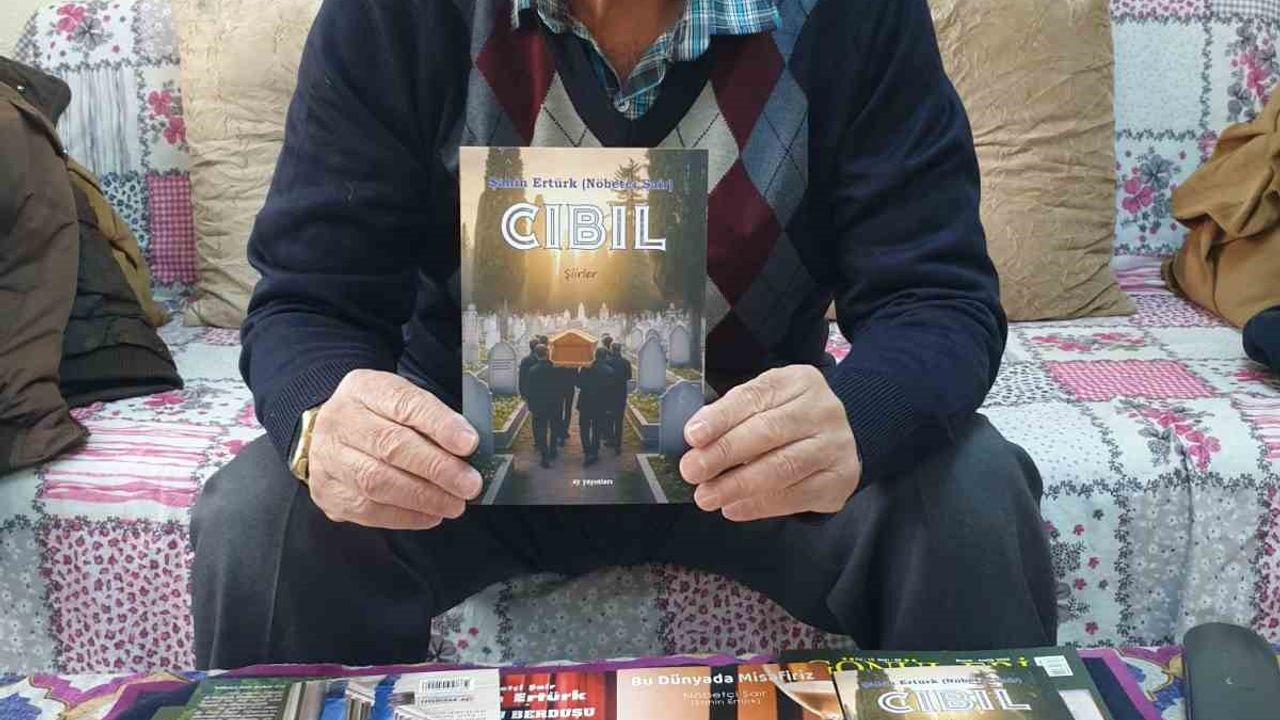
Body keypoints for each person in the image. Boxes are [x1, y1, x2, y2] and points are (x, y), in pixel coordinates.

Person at [192, 0, 1058, 669]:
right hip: (460, 458)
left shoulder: (852, 16)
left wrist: (858, 417)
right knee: (266, 516)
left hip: (753, 457)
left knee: (969, 491)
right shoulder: (396, 16)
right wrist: (329, 418)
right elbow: (310, 303)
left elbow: (937, 297)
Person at [575, 347, 614, 465]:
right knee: (597, 427)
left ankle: (587, 449)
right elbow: (610, 391)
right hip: (600, 403)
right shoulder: (609, 370)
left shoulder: (585, 368)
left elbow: (578, 384)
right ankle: (595, 450)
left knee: (584, 427)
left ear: (595, 356)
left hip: (585, 402)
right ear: (605, 356)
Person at [524, 345, 558, 468]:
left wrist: (531, 404)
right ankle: (553, 450)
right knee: (554, 427)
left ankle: (544, 455)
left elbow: (529, 390)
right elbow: (559, 388)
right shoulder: (554, 368)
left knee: (541, 430)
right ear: (547, 353)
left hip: (539, 405)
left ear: (536, 355)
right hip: (553, 403)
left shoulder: (532, 370)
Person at [606, 343, 631, 452]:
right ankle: (618, 444)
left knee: (609, 417)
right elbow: (629, 376)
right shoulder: (626, 362)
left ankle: (611, 439)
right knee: (619, 419)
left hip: (610, 393)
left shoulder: (608, 362)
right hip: (621, 393)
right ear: (620, 350)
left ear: (612, 350)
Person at [517, 338, 538, 405]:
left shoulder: (525, 360)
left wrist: (522, 392)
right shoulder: (539, 360)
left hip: (528, 392)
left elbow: (521, 377)